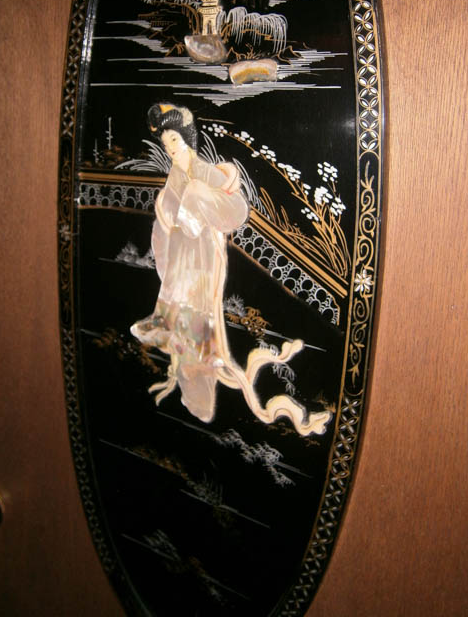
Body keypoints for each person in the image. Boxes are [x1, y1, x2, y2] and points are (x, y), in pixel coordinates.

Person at [131, 103, 331, 436]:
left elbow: (235, 208)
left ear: (187, 140)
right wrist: (168, 247)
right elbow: (163, 227)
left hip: (202, 266)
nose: (171, 149)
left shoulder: (204, 173)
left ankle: (201, 402)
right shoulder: (172, 181)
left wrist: (195, 204)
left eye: (175, 141)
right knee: (185, 334)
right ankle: (189, 397)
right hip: (181, 268)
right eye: (166, 144)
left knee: (198, 335)